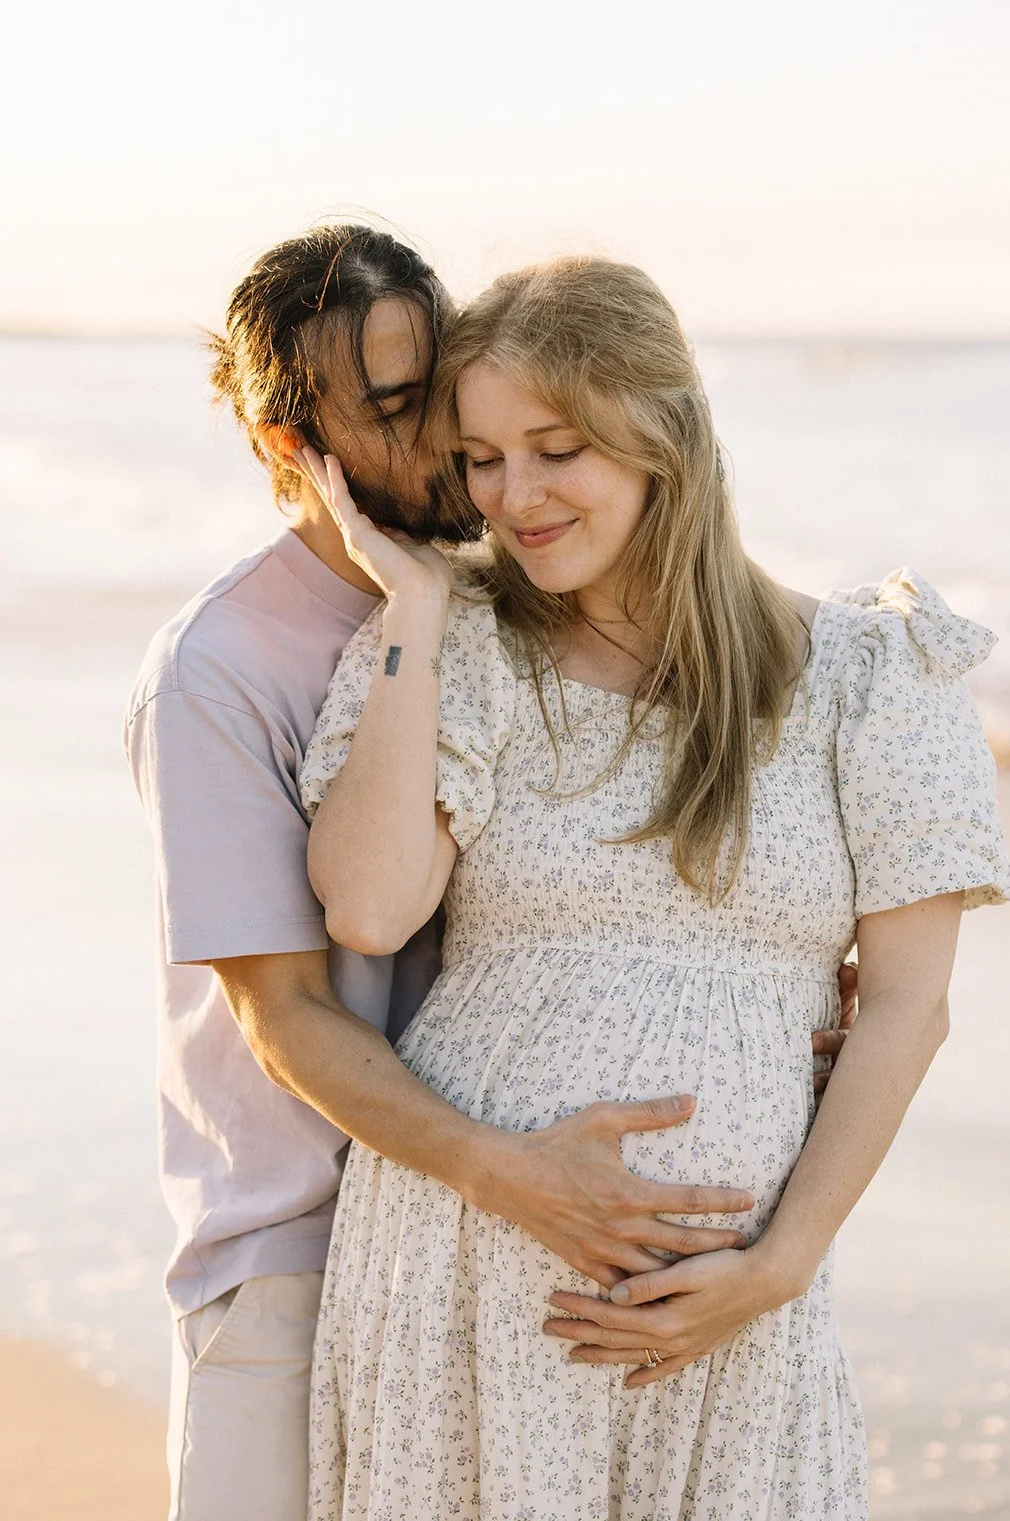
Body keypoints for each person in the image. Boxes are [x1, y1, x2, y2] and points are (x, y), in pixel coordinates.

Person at [125, 227, 851, 1521]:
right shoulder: (221, 670)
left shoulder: (521, 600)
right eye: (404, 412)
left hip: (503, 1244)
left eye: (445, 389)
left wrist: (789, 984)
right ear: (294, 451)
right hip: (300, 1252)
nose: (462, 444)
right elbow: (283, 1012)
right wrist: (506, 1173)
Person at [297, 255, 1010, 1519]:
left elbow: (909, 1004)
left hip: (733, 1306)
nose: (512, 497)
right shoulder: (456, 645)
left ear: (661, 432)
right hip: (463, 1276)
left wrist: (781, 1265)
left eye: (555, 448)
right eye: (479, 458)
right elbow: (366, 906)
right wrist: (415, 603)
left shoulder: (870, 673)